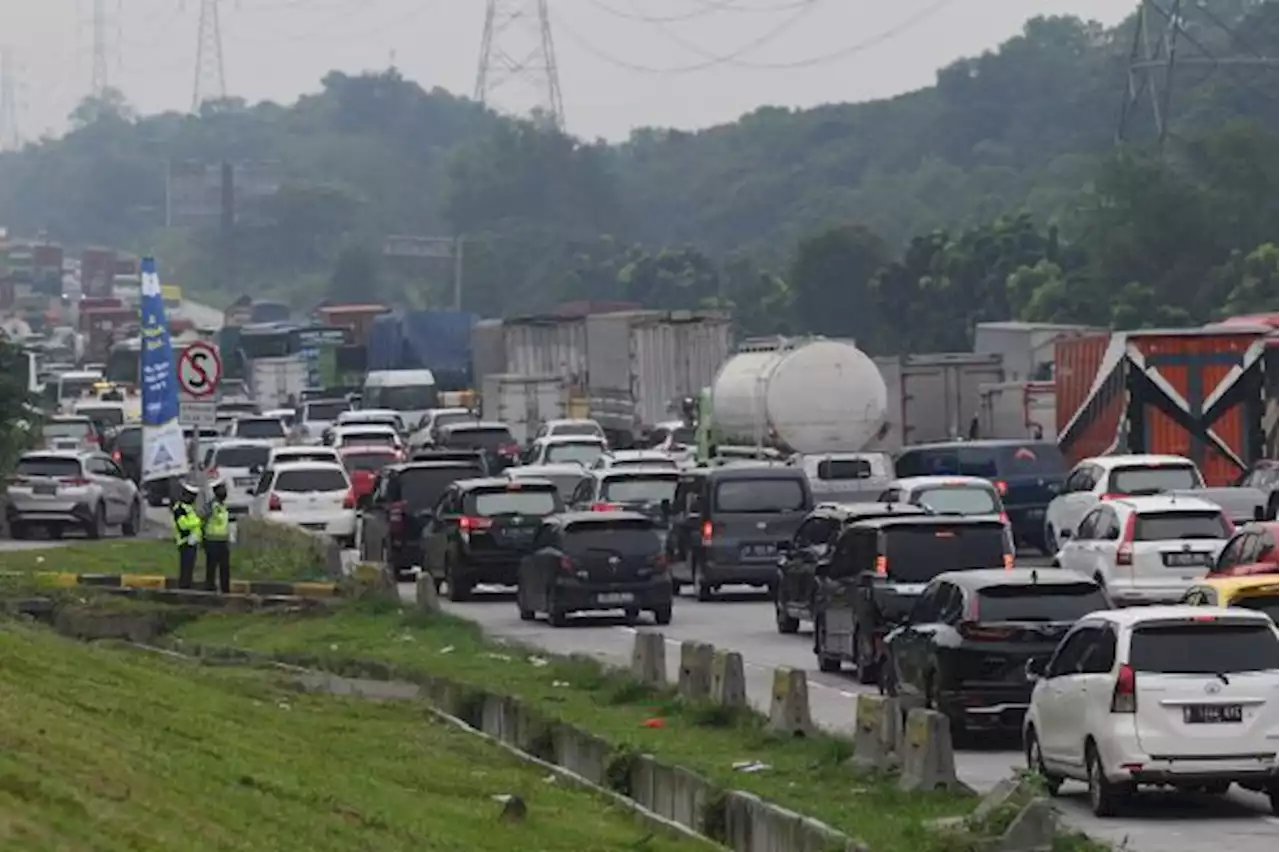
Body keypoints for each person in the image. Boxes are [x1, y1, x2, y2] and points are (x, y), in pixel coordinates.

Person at [202, 478, 232, 593]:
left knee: (225, 568)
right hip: (212, 541)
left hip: (223, 541)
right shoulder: (211, 505)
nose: (224, 492)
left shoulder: (223, 506)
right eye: (222, 489)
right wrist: (203, 538)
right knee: (211, 568)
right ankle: (210, 590)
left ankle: (225, 590)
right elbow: (202, 519)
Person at [172, 481, 203, 589]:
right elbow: (183, 525)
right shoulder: (179, 508)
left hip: (193, 541)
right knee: (185, 567)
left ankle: (187, 586)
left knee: (190, 568)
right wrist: (198, 521)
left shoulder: (189, 508)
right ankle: (183, 588)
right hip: (185, 541)